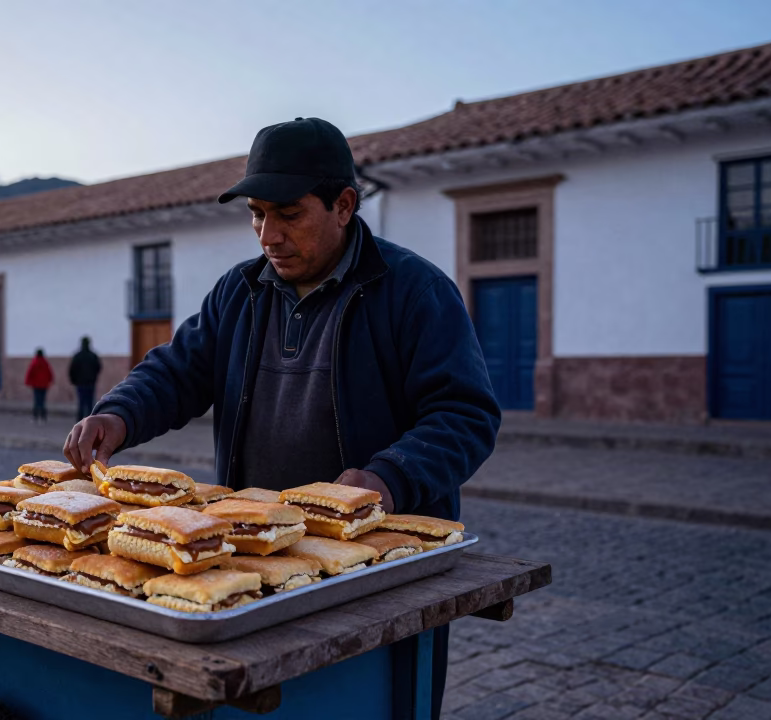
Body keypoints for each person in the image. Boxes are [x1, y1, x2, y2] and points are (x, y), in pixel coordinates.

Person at [63, 118, 501, 719]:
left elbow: (465, 414)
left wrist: (388, 478)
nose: (268, 234)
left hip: (374, 573)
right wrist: (116, 414)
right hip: (257, 564)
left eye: (288, 214)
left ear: (343, 205)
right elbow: (177, 370)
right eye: (256, 214)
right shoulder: (238, 293)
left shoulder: (413, 291)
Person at [68, 336, 101, 420]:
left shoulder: (77, 356)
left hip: (80, 383)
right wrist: (94, 377)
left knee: (81, 403)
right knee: (90, 403)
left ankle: (79, 420)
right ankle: (90, 420)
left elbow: (72, 369)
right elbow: (98, 367)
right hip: (90, 382)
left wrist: (74, 380)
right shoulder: (93, 355)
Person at [24, 348, 54, 424]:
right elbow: (49, 373)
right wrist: (50, 380)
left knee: (37, 401)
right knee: (43, 401)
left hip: (36, 385)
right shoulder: (45, 363)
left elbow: (30, 372)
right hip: (44, 385)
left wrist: (27, 382)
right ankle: (43, 417)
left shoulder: (34, 362)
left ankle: (35, 417)